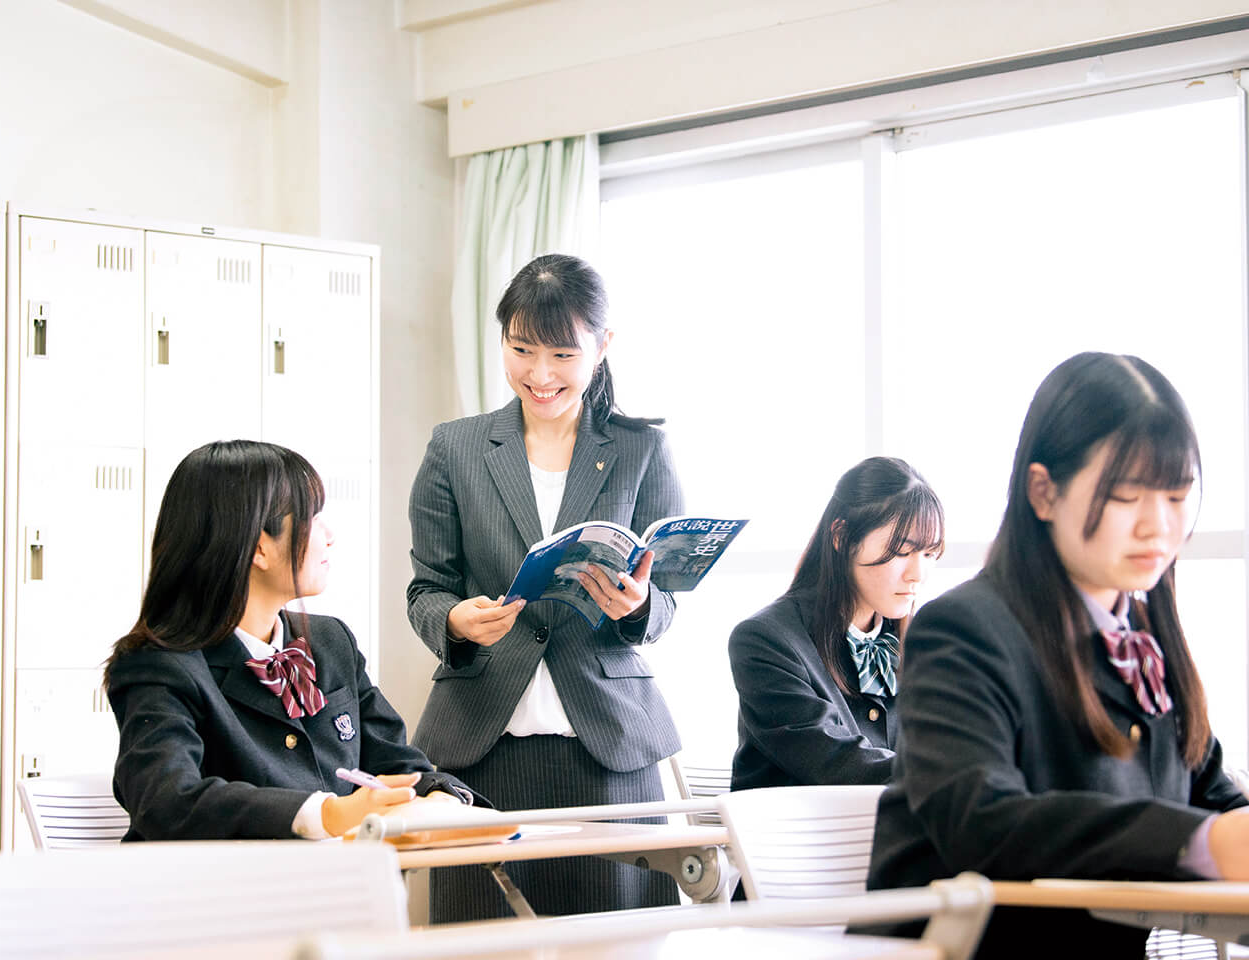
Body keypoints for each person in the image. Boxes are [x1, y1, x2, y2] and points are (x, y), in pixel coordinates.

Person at [865, 353, 1249, 956]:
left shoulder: (1146, 636)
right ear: (1043, 492)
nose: (1158, 527)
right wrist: (1204, 842)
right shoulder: (962, 630)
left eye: (1177, 496)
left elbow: (1210, 793)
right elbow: (983, 821)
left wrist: (1230, 830)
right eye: (1126, 497)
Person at [407, 253, 683, 921]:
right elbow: (427, 590)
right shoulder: (456, 448)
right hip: (484, 747)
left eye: (562, 353)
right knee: (485, 940)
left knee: (618, 943)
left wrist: (640, 606)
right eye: (521, 348)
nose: (540, 374)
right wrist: (455, 622)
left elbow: (668, 590)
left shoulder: (640, 448)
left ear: (603, 346)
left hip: (609, 751)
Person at [105, 440, 476, 841]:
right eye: (313, 517)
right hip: (219, 897)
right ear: (260, 547)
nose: (329, 535)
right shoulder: (158, 665)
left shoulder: (331, 641)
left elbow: (397, 764)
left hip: (337, 890)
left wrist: (441, 798)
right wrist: (330, 814)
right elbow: (167, 803)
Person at [729, 457, 943, 792]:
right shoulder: (764, 640)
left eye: (929, 554)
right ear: (842, 537)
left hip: (889, 832)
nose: (918, 574)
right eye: (902, 551)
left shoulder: (917, 640)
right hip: (796, 838)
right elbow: (832, 760)